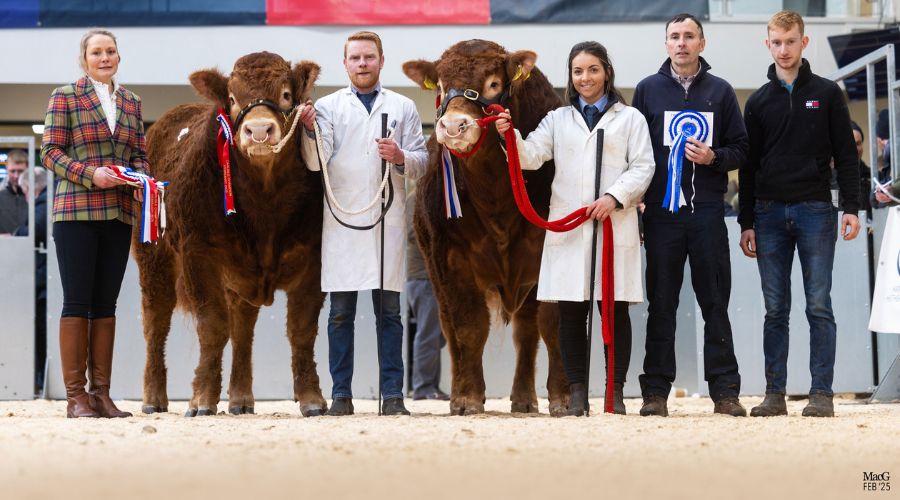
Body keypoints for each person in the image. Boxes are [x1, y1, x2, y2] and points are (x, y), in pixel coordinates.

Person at [495, 41, 655, 416]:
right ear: (571, 76)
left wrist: (615, 197)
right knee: (570, 312)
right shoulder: (557, 119)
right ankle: (578, 393)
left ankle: (614, 392)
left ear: (607, 72)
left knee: (614, 310)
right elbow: (531, 158)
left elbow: (643, 166)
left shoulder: (630, 119)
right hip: (569, 229)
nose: (586, 78)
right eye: (578, 71)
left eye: (593, 69)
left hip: (614, 223)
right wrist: (509, 134)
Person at [739, 11, 861, 418]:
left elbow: (846, 154)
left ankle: (821, 393)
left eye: (791, 41)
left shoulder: (827, 94)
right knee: (775, 309)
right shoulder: (757, 101)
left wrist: (851, 207)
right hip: (768, 214)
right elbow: (749, 166)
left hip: (815, 211)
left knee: (818, 305)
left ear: (803, 42)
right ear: (767, 44)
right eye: (777, 41)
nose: (784, 49)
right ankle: (775, 394)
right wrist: (747, 223)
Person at [300, 31, 427, 416]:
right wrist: (307, 129)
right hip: (343, 221)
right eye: (355, 58)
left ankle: (392, 396)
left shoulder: (403, 106)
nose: (362, 64)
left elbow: (422, 161)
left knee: (389, 313)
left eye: (368, 57)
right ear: (345, 64)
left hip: (387, 218)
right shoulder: (326, 107)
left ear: (381, 60)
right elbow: (313, 161)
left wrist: (401, 155)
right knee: (340, 314)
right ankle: (341, 396)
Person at [632, 13, 749, 417]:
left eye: (689, 36)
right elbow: (636, 153)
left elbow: (742, 149)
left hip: (708, 215)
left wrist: (715, 157)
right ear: (666, 44)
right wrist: (640, 200)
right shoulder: (647, 90)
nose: (681, 43)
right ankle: (655, 394)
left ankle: (726, 392)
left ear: (703, 43)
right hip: (661, 216)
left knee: (715, 302)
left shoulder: (721, 91)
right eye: (674, 37)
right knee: (660, 304)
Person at [41, 28, 149, 418]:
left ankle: (101, 395)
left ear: (118, 57)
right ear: (84, 59)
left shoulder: (133, 103)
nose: (105, 58)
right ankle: (76, 398)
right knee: (77, 302)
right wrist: (91, 175)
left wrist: (142, 182)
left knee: (106, 304)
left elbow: (139, 153)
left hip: (119, 214)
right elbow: (50, 152)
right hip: (75, 213)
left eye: (111, 51)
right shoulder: (65, 96)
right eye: (97, 52)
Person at [405, 191, 448, 401]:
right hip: (422, 276)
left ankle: (431, 385)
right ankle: (423, 387)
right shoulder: (416, 198)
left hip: (431, 277)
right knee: (429, 334)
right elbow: (413, 233)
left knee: (436, 335)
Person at [14, 168, 48, 394]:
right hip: (45, 277)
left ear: (30, 188)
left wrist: (17, 234)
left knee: (42, 333)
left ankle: (41, 381)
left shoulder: (43, 204)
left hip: (44, 280)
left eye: (24, 190)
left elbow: (36, 230)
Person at [0, 149, 28, 235]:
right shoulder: (1, 196)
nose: (16, 176)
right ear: (7, 169)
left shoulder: (36, 196)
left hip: (30, 246)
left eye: (20, 171)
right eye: (12, 171)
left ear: (27, 169)